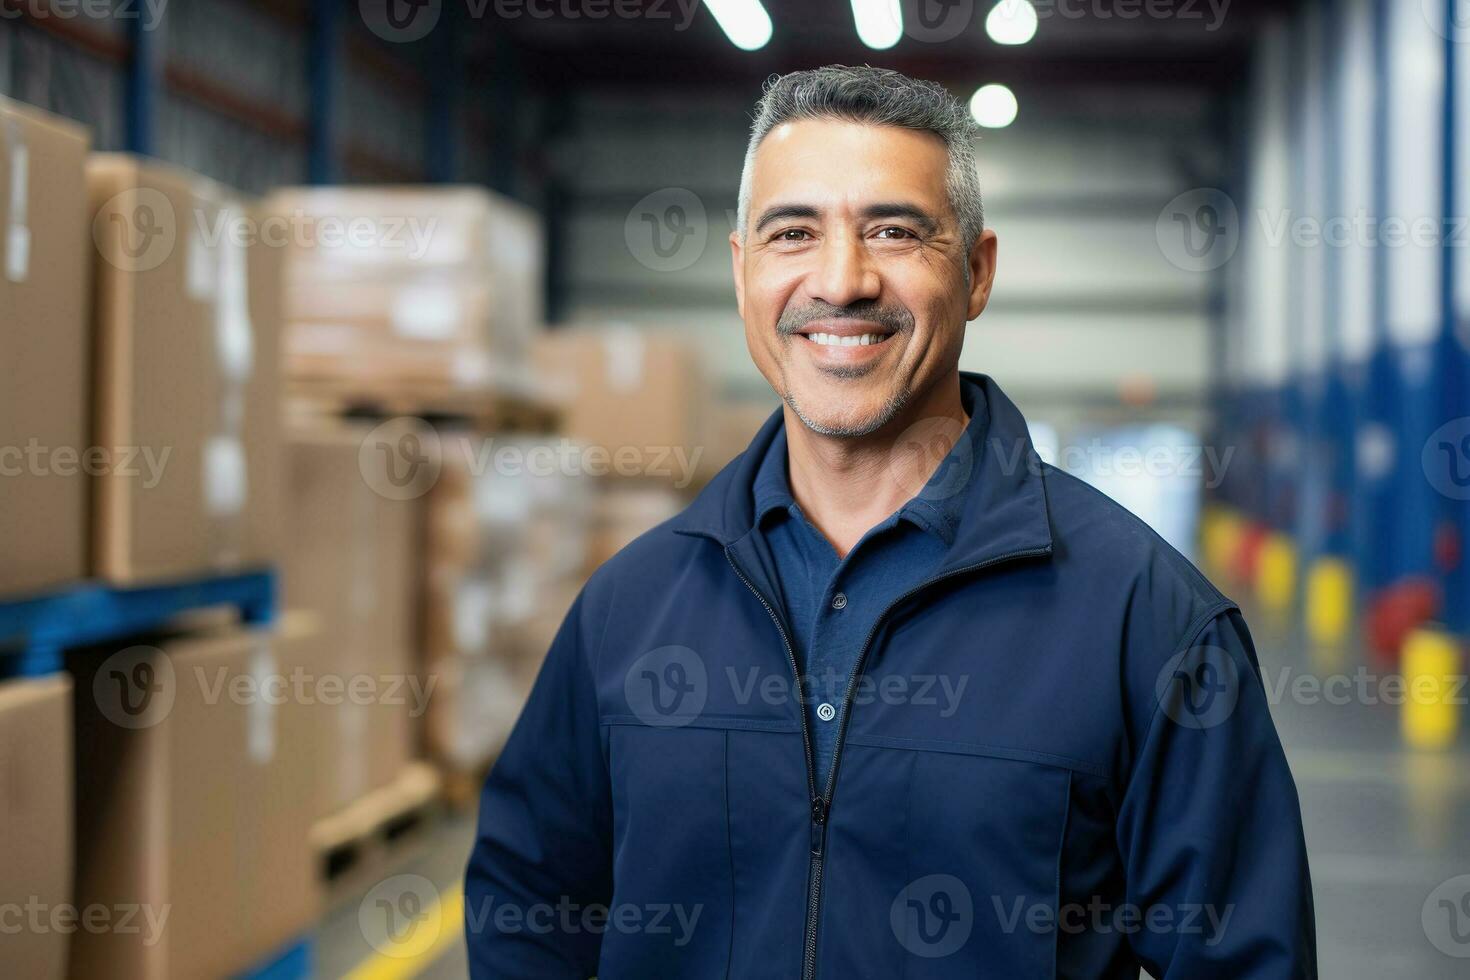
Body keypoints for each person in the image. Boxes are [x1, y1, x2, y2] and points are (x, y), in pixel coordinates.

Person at [466, 64, 1316, 979]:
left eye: (894, 231)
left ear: (977, 271)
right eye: (793, 232)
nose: (842, 280)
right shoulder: (625, 611)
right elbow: (529, 909)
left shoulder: (1149, 625)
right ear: (741, 268)